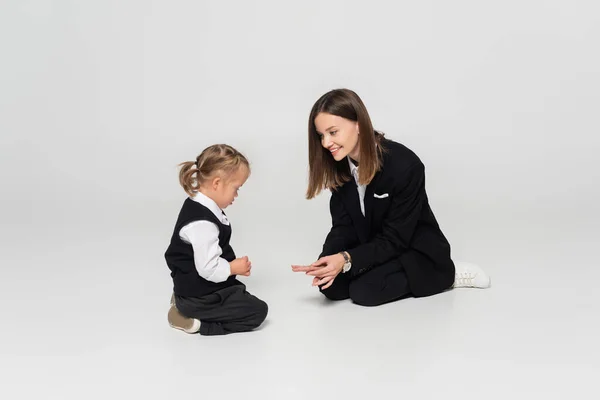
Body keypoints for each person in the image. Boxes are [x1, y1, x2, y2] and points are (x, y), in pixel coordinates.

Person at [292, 89, 490, 306]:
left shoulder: (405, 165)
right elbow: (342, 226)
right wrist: (327, 260)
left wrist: (347, 259)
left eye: (333, 132)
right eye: (321, 135)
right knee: (331, 287)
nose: (326, 143)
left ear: (358, 124)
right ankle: (367, 269)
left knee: (364, 292)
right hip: (373, 245)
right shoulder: (340, 167)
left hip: (408, 247)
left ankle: (446, 273)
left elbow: (396, 238)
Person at [165, 144, 268, 334]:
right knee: (257, 311)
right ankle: (193, 320)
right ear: (217, 183)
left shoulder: (198, 204)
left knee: (238, 291)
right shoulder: (202, 223)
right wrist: (232, 268)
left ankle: (183, 301)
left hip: (196, 288)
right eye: (236, 188)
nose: (236, 195)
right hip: (199, 295)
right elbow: (208, 268)